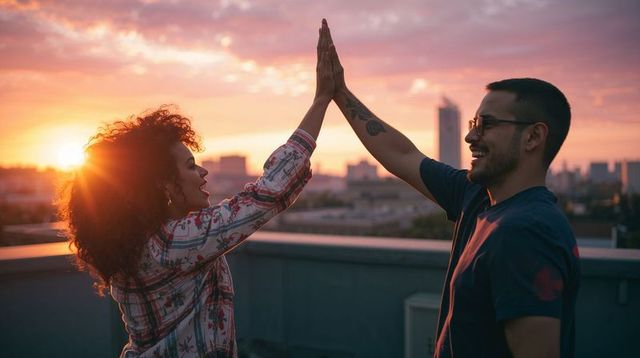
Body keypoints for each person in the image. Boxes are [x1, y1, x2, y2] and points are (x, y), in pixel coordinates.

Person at [59, 19, 335, 358]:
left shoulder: (133, 246)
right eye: (190, 166)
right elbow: (266, 195)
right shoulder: (173, 242)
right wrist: (321, 100)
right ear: (162, 184)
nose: (203, 172)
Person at [322, 21, 580, 357]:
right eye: (474, 124)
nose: (471, 136)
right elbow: (402, 154)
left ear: (533, 137)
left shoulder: (527, 232)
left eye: (486, 125)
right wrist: (338, 92)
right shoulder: (477, 196)